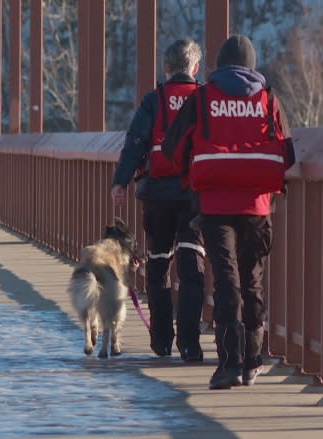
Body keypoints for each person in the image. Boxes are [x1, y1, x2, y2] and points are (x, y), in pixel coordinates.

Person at [162, 34, 296, 389]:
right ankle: (254, 360)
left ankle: (229, 364)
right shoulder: (268, 98)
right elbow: (289, 153)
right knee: (252, 280)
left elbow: (173, 148)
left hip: (215, 204)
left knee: (225, 282)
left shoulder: (203, 97)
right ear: (252, 66)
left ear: (218, 65)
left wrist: (193, 170)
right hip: (256, 205)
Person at [110, 38, 207, 361]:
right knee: (192, 269)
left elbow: (134, 143)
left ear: (166, 69)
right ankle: (190, 344)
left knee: (158, 265)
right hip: (194, 195)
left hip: (157, 195)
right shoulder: (205, 99)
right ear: (196, 68)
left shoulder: (154, 100)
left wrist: (120, 182)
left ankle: (162, 339)